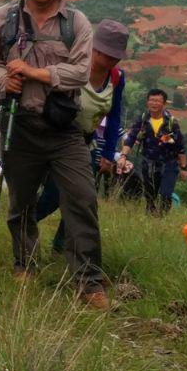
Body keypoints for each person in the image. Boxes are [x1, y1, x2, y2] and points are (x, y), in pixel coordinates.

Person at [0, 0, 109, 309]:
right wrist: (6, 81)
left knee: (81, 199)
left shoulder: (76, 23)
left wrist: (34, 73)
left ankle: (88, 281)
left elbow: (81, 72)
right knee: (21, 201)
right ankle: (25, 263)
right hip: (17, 123)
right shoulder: (2, 19)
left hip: (63, 129)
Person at [35, 19, 128, 253]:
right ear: (94, 48)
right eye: (107, 55)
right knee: (53, 197)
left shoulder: (116, 77)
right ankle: (23, 223)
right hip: (59, 138)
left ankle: (61, 246)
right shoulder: (76, 65)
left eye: (116, 57)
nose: (111, 61)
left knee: (81, 198)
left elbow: (114, 114)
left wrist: (108, 153)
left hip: (87, 141)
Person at [124, 89, 187, 214]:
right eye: (151, 100)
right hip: (149, 162)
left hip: (169, 163)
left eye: (157, 101)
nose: (154, 103)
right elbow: (131, 137)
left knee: (165, 194)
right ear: (147, 102)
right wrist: (123, 155)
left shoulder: (171, 122)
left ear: (163, 104)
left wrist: (184, 168)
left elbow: (180, 146)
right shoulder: (143, 119)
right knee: (150, 194)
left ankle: (162, 218)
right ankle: (150, 217)